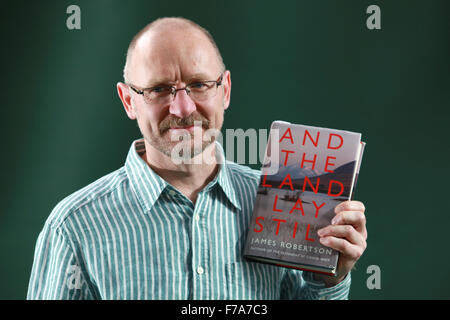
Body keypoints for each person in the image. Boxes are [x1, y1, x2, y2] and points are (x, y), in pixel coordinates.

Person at [27, 17, 367, 300]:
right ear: (128, 100)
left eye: (200, 84)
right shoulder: (74, 227)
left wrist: (329, 281)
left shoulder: (289, 204)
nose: (183, 108)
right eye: (159, 89)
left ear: (226, 90)